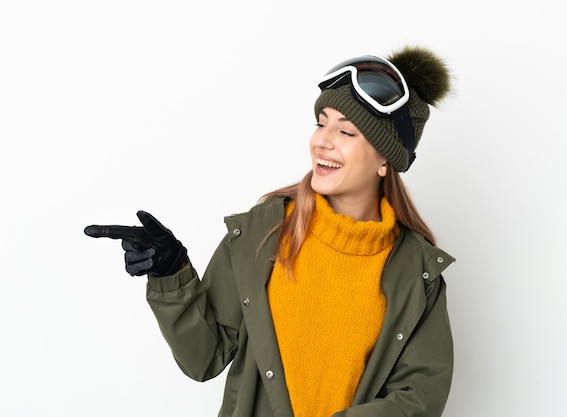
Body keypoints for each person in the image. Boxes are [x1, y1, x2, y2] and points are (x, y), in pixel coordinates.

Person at [85, 44, 456, 417]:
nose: (322, 141)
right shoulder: (262, 232)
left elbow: (419, 398)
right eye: (321, 122)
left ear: (385, 160)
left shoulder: (417, 271)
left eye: (346, 131)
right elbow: (203, 359)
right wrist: (171, 275)